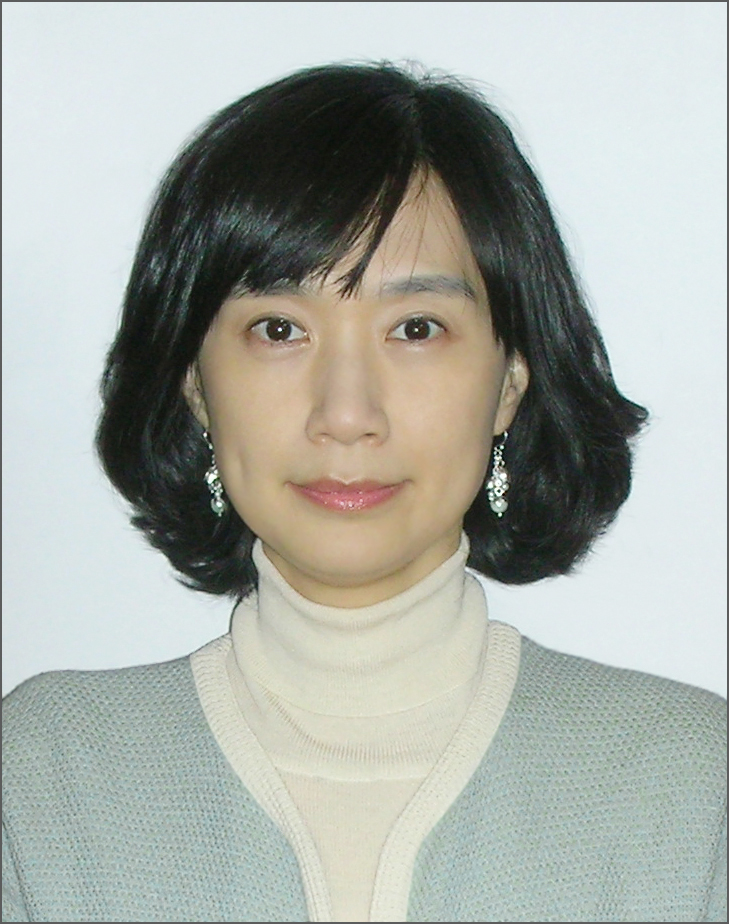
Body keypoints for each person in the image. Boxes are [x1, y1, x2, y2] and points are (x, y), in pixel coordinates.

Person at [2, 62, 725, 924]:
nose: (346, 415)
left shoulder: (684, 785)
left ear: (509, 382)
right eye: (279, 329)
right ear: (195, 384)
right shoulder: (47, 776)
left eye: (415, 329)